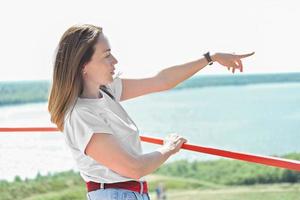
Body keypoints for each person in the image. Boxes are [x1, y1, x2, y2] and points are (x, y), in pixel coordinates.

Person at [48, 24, 254, 200]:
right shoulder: (81, 115)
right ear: (84, 65)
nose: (115, 61)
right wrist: (169, 148)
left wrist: (211, 57)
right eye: (107, 55)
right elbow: (133, 168)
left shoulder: (106, 92)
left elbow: (161, 80)